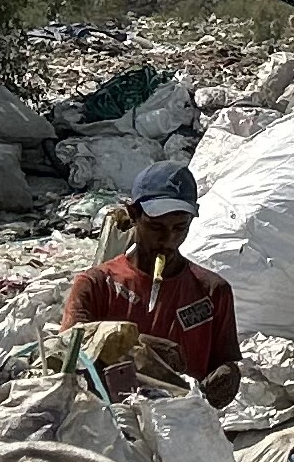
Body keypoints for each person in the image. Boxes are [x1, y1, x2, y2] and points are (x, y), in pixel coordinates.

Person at [61, 163, 242, 406]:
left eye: (180, 228)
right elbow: (67, 354)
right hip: (109, 420)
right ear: (133, 215)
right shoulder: (96, 284)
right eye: (156, 227)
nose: (168, 240)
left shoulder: (212, 290)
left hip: (184, 419)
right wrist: (137, 348)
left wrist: (227, 375)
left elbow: (222, 361)